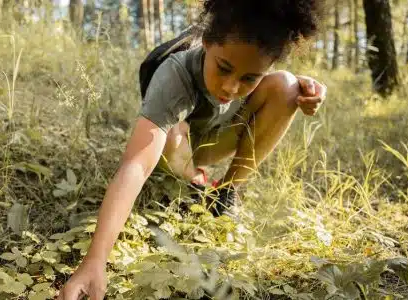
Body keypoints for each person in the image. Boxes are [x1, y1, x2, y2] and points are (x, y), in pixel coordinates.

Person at [57, 0, 327, 299]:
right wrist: (95, 259)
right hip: (174, 148)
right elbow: (135, 166)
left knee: (288, 86)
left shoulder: (253, 68)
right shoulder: (174, 75)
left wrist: (301, 94)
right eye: (223, 68)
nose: (231, 87)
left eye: (249, 78)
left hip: (217, 141)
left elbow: (271, 84)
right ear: (207, 42)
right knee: (173, 130)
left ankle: (225, 193)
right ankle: (195, 181)